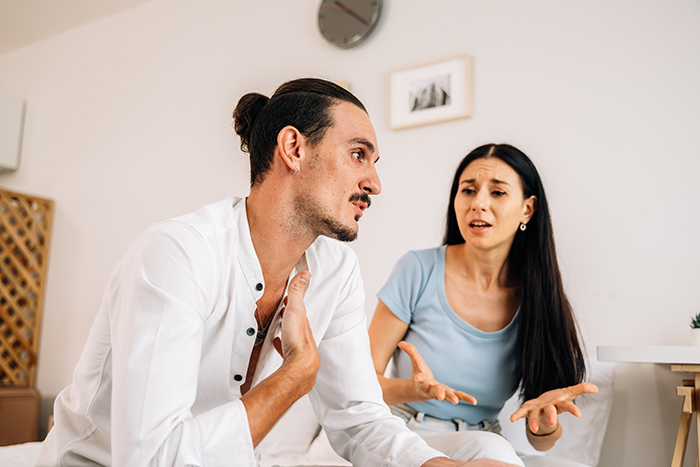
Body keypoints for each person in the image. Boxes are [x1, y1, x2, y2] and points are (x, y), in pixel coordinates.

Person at [35, 79, 517, 467]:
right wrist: (296, 375)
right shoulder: (176, 254)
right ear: (293, 148)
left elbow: (358, 417)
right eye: (358, 155)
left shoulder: (336, 270)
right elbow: (154, 460)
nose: (374, 182)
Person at [368, 144, 599, 466]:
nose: (478, 203)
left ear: (527, 210)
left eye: (498, 193)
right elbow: (360, 384)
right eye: (468, 190)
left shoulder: (539, 297)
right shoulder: (417, 269)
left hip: (485, 439)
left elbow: (541, 442)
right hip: (405, 432)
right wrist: (414, 390)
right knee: (494, 453)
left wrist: (545, 424)